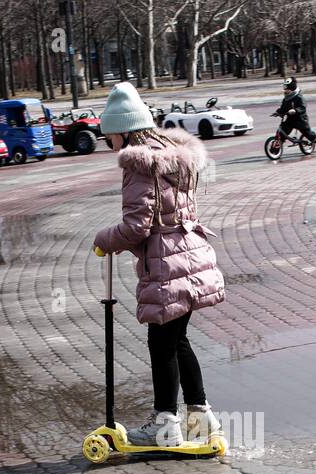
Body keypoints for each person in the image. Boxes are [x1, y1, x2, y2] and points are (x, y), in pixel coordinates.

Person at [90, 82, 227, 448]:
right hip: (192, 254)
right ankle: (201, 418)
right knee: (177, 338)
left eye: (109, 137)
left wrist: (104, 239)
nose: (110, 145)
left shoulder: (139, 163)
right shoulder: (173, 152)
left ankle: (164, 424)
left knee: (161, 342)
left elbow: (137, 225)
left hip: (167, 264)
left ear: (121, 129)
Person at [273, 76, 316, 153]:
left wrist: (295, 110)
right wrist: (278, 112)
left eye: (286, 89)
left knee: (309, 134)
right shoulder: (286, 98)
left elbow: (303, 107)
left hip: (300, 119)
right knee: (281, 133)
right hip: (290, 119)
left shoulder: (299, 97)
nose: (285, 90)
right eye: (284, 88)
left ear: (292, 89)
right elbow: (283, 108)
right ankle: (275, 150)